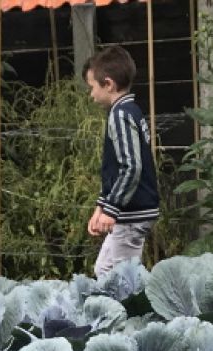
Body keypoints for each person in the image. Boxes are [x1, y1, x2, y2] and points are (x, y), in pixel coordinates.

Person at [84, 46, 159, 278]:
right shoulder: (128, 111)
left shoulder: (121, 115)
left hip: (131, 214)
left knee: (123, 281)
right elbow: (115, 170)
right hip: (128, 212)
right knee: (104, 270)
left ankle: (138, 313)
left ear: (108, 84)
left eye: (92, 87)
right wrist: (101, 207)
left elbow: (130, 166)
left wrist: (111, 209)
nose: (91, 95)